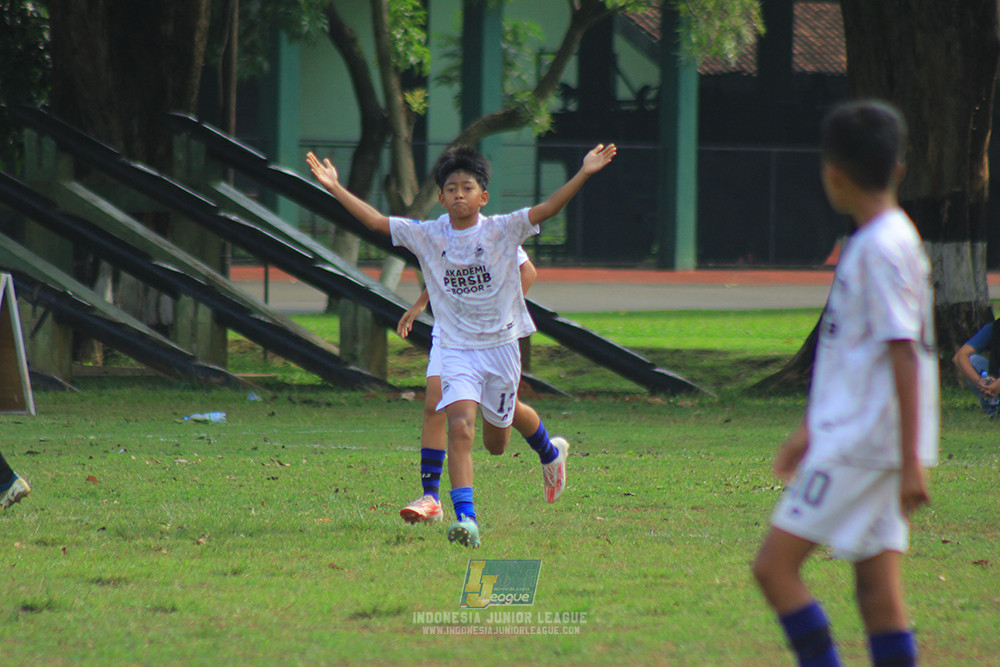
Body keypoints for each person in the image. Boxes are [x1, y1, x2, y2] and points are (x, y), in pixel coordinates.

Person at [308, 142, 616, 548]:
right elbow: (376, 222)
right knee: (459, 425)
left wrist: (584, 173)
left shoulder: (501, 230)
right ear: (440, 197)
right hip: (455, 348)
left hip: (500, 348)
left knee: (496, 443)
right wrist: (335, 187)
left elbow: (547, 210)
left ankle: (549, 452)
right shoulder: (429, 234)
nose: (458, 195)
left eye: (467, 188)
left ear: (483, 196)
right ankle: (466, 518)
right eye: (451, 189)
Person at [751, 100, 938, 667]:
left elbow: (904, 354)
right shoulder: (889, 238)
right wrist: (809, 429)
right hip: (868, 438)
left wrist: (912, 459)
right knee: (878, 593)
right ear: (899, 168)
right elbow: (857, 357)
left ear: (832, 173)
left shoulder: (879, 248)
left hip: (862, 443)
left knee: (774, 568)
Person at [396, 253, 569, 525]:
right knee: (435, 403)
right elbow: (445, 275)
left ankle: (550, 453)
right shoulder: (443, 235)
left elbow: (528, 271)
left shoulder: (494, 236)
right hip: (450, 332)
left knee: (496, 443)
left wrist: (500, 315)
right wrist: (420, 304)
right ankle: (431, 498)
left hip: (492, 339)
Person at [951, 320, 1000, 417]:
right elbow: (959, 357)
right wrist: (980, 383)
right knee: (971, 360)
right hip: (995, 384)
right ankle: (993, 407)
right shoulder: (994, 328)